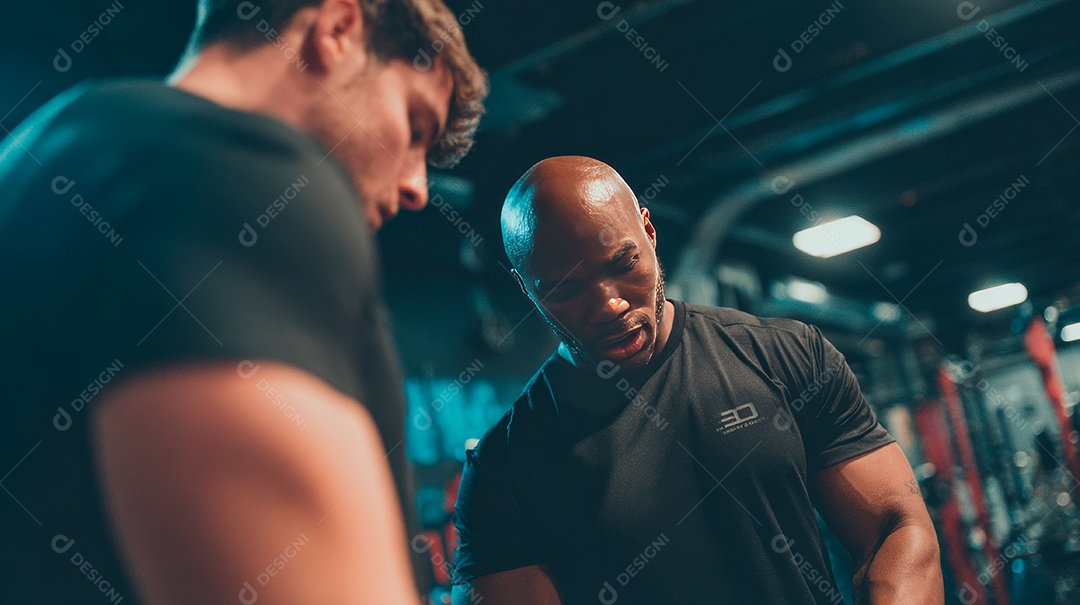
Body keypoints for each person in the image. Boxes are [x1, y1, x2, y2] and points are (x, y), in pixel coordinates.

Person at [0, 1, 485, 603]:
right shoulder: (242, 174)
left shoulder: (42, 160)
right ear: (336, 29)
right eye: (414, 127)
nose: (416, 187)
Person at [451, 156, 943, 604]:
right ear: (526, 287)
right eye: (565, 288)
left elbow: (894, 527)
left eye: (623, 265)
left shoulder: (786, 356)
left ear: (649, 231)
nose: (611, 305)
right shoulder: (505, 470)